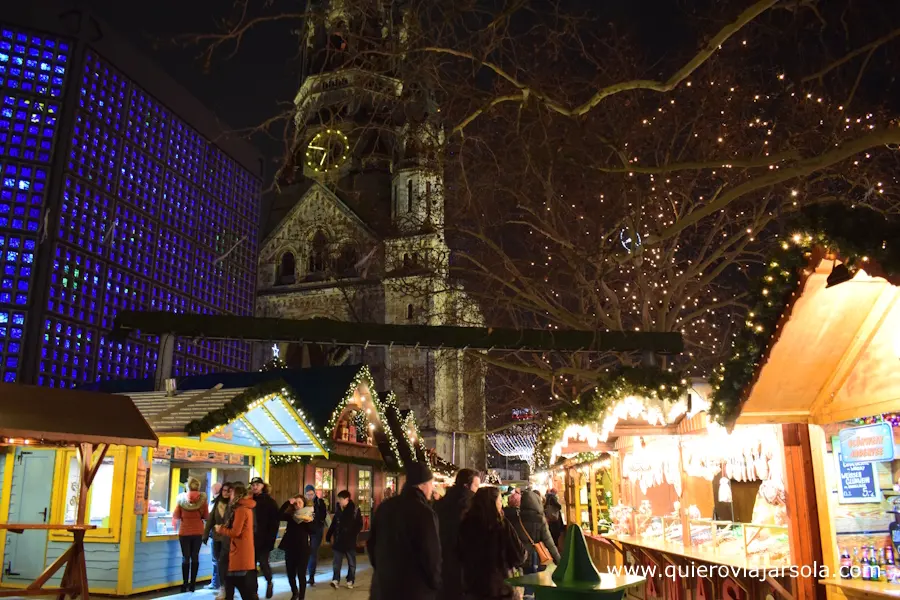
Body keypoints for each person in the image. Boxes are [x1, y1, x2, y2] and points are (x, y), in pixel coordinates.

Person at [368, 461, 442, 600]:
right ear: (422, 484)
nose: (432, 488)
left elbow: (371, 544)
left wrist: (382, 569)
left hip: (384, 587)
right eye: (431, 483)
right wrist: (436, 583)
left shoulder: (385, 506)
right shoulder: (424, 513)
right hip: (413, 589)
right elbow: (431, 555)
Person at [458, 487, 528, 600]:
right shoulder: (502, 525)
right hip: (500, 589)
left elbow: (459, 554)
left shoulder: (465, 525)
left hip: (473, 587)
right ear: (492, 503)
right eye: (499, 501)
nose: (501, 504)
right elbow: (519, 555)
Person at [435, 468, 480, 600]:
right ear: (466, 485)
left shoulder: (440, 504)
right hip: (463, 565)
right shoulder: (471, 505)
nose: (477, 490)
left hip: (441, 562)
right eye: (476, 486)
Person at [215, 483, 258, 600]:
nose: (230, 495)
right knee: (233, 582)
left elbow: (236, 532)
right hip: (240, 551)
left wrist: (221, 529)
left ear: (237, 495)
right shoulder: (245, 508)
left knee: (239, 584)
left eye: (232, 493)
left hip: (239, 552)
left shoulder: (241, 510)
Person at [173, 477, 209, 592]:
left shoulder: (181, 499)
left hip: (184, 532)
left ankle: (184, 584)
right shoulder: (203, 501)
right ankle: (193, 584)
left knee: (186, 557)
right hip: (198, 532)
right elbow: (206, 516)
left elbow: (176, 515)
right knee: (195, 557)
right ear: (198, 486)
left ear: (187, 486)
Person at [280, 494, 315, 600]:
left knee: (301, 574)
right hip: (290, 548)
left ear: (304, 504)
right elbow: (278, 515)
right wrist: (287, 502)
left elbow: (313, 531)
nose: (298, 505)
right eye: (296, 503)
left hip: (303, 549)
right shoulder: (291, 516)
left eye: (300, 502)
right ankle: (295, 592)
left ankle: (301, 597)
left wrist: (309, 522)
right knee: (290, 574)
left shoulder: (308, 516)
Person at [326, 489, 363, 589]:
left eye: (341, 499)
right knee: (336, 562)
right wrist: (328, 536)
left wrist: (352, 533)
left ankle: (350, 580)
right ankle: (335, 580)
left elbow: (359, 524)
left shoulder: (354, 510)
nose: (339, 501)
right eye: (339, 499)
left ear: (347, 499)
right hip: (338, 540)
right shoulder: (338, 509)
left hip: (349, 541)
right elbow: (334, 524)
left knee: (351, 563)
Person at [249, 477, 280, 599]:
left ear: (263, 486)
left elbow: (274, 523)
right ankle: (254, 591)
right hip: (250, 539)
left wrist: (271, 540)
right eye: (253, 485)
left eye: (257, 484)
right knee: (251, 566)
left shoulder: (270, 502)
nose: (255, 487)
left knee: (263, 563)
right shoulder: (249, 500)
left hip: (264, 539)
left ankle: (269, 581)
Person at [519, 490, 560, 575]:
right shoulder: (540, 519)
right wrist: (559, 560)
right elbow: (549, 543)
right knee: (537, 579)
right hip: (537, 558)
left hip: (522, 557)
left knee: (525, 579)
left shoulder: (518, 518)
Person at [204, 482, 234, 593]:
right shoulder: (217, 502)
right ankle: (220, 584)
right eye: (224, 490)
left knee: (224, 562)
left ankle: (225, 586)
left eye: (228, 491)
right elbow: (211, 519)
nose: (226, 493)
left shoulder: (233, 504)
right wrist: (205, 534)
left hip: (228, 537)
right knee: (217, 561)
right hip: (216, 537)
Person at [304, 484, 327, 587]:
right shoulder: (303, 502)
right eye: (308, 494)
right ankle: (305, 574)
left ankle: (311, 576)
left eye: (311, 494)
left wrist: (314, 514)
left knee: (313, 552)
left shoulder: (320, 502)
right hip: (306, 530)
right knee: (305, 553)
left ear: (314, 493)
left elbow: (323, 515)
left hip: (316, 530)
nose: (310, 496)